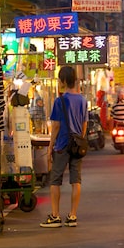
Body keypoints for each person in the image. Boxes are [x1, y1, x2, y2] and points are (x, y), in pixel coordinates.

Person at [41, 66, 87, 228]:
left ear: (62, 81)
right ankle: (73, 215)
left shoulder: (59, 101)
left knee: (55, 180)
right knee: (76, 180)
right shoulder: (82, 100)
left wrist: (49, 147)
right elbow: (84, 124)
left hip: (61, 145)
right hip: (76, 145)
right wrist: (79, 139)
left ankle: (55, 216)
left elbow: (56, 126)